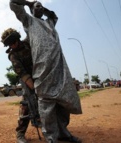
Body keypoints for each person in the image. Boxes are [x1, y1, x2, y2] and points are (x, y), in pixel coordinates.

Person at [9, 1, 82, 143]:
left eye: (41, 6)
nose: (39, 7)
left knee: (64, 103)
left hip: (59, 71)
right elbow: (13, 3)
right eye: (37, 6)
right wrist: (29, 3)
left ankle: (63, 132)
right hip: (38, 75)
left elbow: (54, 16)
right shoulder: (29, 22)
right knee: (34, 106)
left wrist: (43, 8)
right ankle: (47, 137)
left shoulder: (49, 23)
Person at [1, 28, 40, 143]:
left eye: (13, 42)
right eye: (10, 44)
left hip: (40, 74)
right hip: (27, 79)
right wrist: (34, 88)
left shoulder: (27, 43)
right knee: (27, 105)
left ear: (17, 39)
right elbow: (22, 73)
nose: (12, 45)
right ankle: (20, 134)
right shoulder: (13, 55)